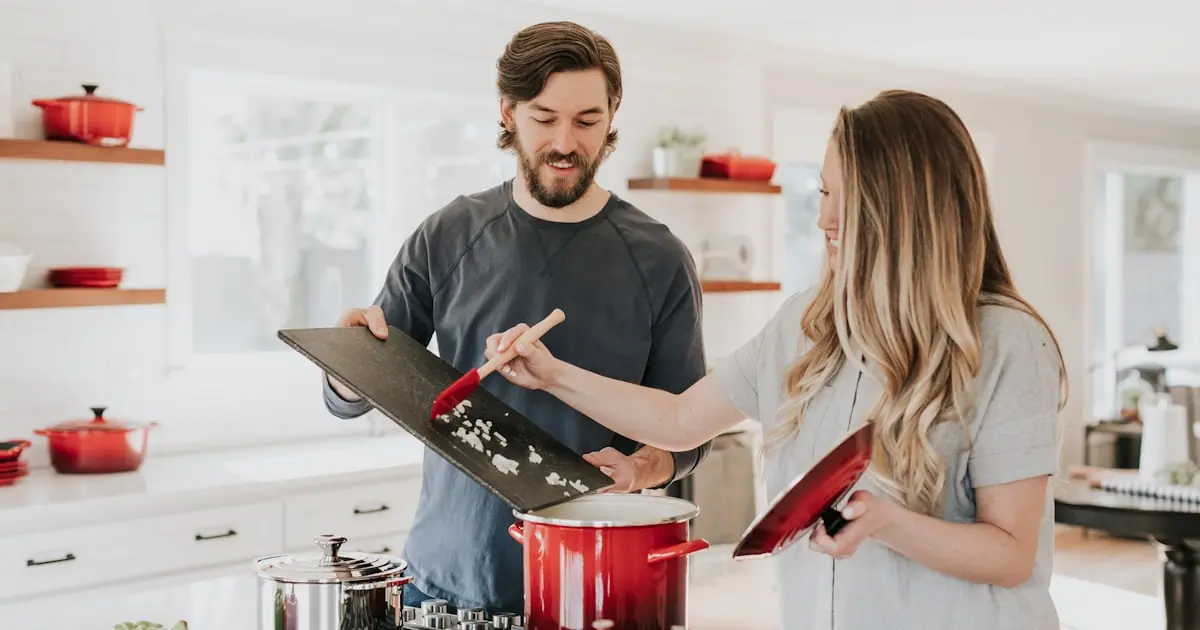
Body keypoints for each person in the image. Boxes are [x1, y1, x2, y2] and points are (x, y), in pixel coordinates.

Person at [485, 89, 1069, 630]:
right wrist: (552, 374)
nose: (824, 219)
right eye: (822, 192)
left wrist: (889, 522)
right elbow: (682, 419)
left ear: (907, 210)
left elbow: (1012, 553)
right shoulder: (805, 324)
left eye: (846, 197)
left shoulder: (1006, 342)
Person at [320, 21, 711, 616]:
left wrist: (638, 468)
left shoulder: (659, 260)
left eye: (586, 121)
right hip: (444, 584)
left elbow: (689, 434)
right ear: (508, 111)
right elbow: (358, 389)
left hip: (596, 586)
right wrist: (347, 366)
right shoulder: (447, 235)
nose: (565, 142)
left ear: (612, 115)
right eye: (544, 117)